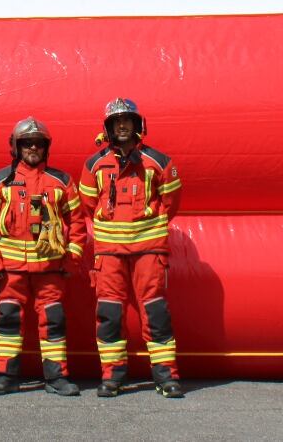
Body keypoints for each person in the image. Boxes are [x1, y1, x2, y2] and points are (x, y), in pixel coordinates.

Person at [0, 117, 86, 397]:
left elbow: (79, 223)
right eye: (27, 143)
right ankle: (6, 376)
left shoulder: (62, 181)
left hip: (51, 268)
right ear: (16, 147)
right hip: (10, 270)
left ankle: (57, 377)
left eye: (38, 143)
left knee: (53, 319)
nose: (33, 147)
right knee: (8, 320)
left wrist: (71, 260)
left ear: (46, 148)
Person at [78, 98, 184, 398]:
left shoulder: (159, 162)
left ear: (138, 126)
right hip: (109, 253)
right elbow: (89, 204)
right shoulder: (94, 165)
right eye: (116, 121)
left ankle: (166, 377)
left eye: (127, 120)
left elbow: (170, 203)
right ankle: (113, 377)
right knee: (110, 314)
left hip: (149, 250)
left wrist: (147, 227)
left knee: (157, 313)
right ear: (108, 127)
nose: (122, 125)